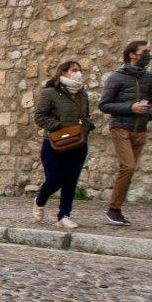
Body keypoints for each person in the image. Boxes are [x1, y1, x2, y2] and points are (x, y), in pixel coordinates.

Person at [98, 40, 152, 226]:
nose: (148, 55)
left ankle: (116, 210)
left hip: (140, 129)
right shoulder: (116, 77)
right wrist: (131, 107)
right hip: (120, 127)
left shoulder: (149, 77)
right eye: (144, 51)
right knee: (128, 166)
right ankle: (113, 210)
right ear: (132, 54)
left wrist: (149, 114)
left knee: (129, 171)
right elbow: (104, 105)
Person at [33, 61, 94, 229]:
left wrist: (86, 129)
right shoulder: (50, 93)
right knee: (55, 178)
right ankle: (40, 201)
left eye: (79, 70)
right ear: (64, 72)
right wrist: (59, 127)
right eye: (74, 70)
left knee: (70, 181)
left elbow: (86, 116)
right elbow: (39, 116)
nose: (78, 73)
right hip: (55, 143)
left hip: (78, 144)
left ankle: (64, 215)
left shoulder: (82, 95)